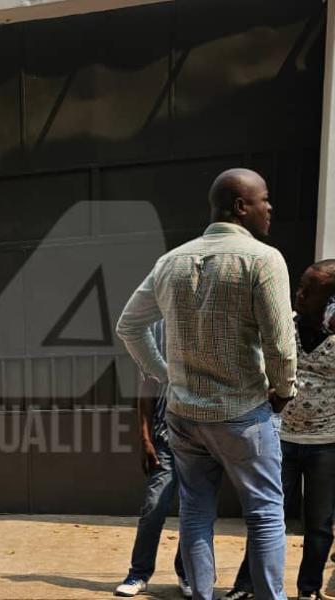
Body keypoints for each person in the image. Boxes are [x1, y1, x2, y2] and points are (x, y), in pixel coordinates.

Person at [116, 168, 297, 600]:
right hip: (243, 414)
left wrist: (165, 375)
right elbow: (280, 343)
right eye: (264, 199)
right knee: (266, 514)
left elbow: (129, 326)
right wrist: (284, 390)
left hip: (184, 416)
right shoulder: (263, 259)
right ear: (240, 206)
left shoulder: (170, 261)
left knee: (196, 511)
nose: (270, 208)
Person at [223, 261, 335, 600]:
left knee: (318, 525)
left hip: (326, 443)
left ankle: (309, 589)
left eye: (309, 289)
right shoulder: (284, 324)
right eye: (300, 285)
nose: (298, 293)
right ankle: (247, 585)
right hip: (279, 436)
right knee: (267, 517)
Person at [115, 320, 190, 598]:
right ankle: (138, 573)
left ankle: (188, 573)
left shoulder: (209, 325)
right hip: (166, 440)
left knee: (196, 512)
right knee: (153, 507)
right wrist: (145, 439)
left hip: (202, 443)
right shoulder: (156, 331)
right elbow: (146, 390)